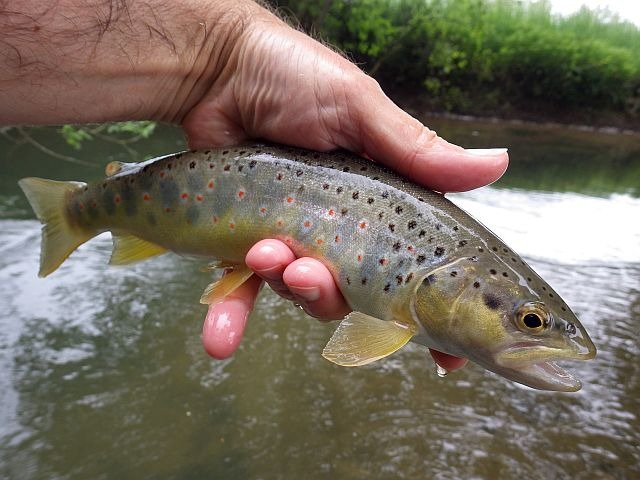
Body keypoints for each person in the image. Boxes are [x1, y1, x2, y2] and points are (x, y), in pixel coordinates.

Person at [0, 0, 507, 373]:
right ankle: (72, 213)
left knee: (272, 262)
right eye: (529, 322)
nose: (528, 333)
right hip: (184, 184)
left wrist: (224, 58)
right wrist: (225, 56)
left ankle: (78, 213)